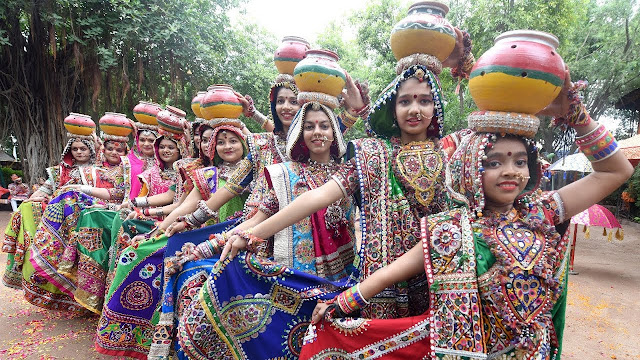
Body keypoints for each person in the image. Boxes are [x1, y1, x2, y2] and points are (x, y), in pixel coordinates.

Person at [302, 72, 634, 359]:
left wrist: (578, 116)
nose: (511, 172)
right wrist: (340, 304)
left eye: (520, 161)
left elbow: (615, 172)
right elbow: (389, 274)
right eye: (493, 162)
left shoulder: (541, 211)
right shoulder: (450, 229)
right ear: (470, 165)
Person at [218, 45, 471, 320]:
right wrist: (253, 234)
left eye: (424, 101)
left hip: (444, 271)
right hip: (380, 284)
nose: (414, 110)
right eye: (405, 101)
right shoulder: (371, 153)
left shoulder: (453, 150)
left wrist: (466, 63)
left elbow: (501, 121)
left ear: (436, 106)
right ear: (392, 107)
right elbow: (315, 198)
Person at [160, 99, 357, 360]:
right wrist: (207, 247)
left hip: (341, 272)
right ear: (299, 132)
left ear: (335, 132)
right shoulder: (284, 173)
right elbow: (257, 218)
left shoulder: (350, 172)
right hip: (296, 274)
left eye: (324, 126)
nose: (317, 132)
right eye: (309, 126)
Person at [95, 119, 248, 359]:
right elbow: (184, 206)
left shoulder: (253, 173)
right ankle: (137, 334)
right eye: (219, 142)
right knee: (133, 254)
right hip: (199, 231)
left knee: (182, 269)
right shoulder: (208, 174)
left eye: (232, 141)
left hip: (238, 235)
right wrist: (157, 231)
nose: (226, 146)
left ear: (245, 143)